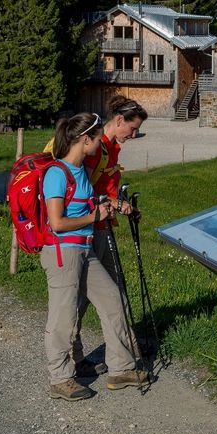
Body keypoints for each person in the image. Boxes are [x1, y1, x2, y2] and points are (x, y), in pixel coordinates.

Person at [42, 112, 148, 401]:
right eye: (98, 138)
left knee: (113, 298)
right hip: (63, 253)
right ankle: (60, 378)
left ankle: (122, 368)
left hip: (84, 250)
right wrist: (94, 215)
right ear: (84, 139)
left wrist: (106, 204)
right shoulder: (56, 173)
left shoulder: (80, 173)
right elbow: (57, 223)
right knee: (63, 314)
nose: (102, 143)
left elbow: (89, 202)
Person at [73, 96, 149, 377]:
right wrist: (116, 204)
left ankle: (126, 348)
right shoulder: (95, 148)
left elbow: (106, 187)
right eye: (132, 128)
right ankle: (75, 356)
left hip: (103, 227)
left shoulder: (110, 147)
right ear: (119, 121)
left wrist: (120, 204)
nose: (134, 134)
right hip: (88, 229)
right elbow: (84, 192)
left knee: (114, 290)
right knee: (85, 297)